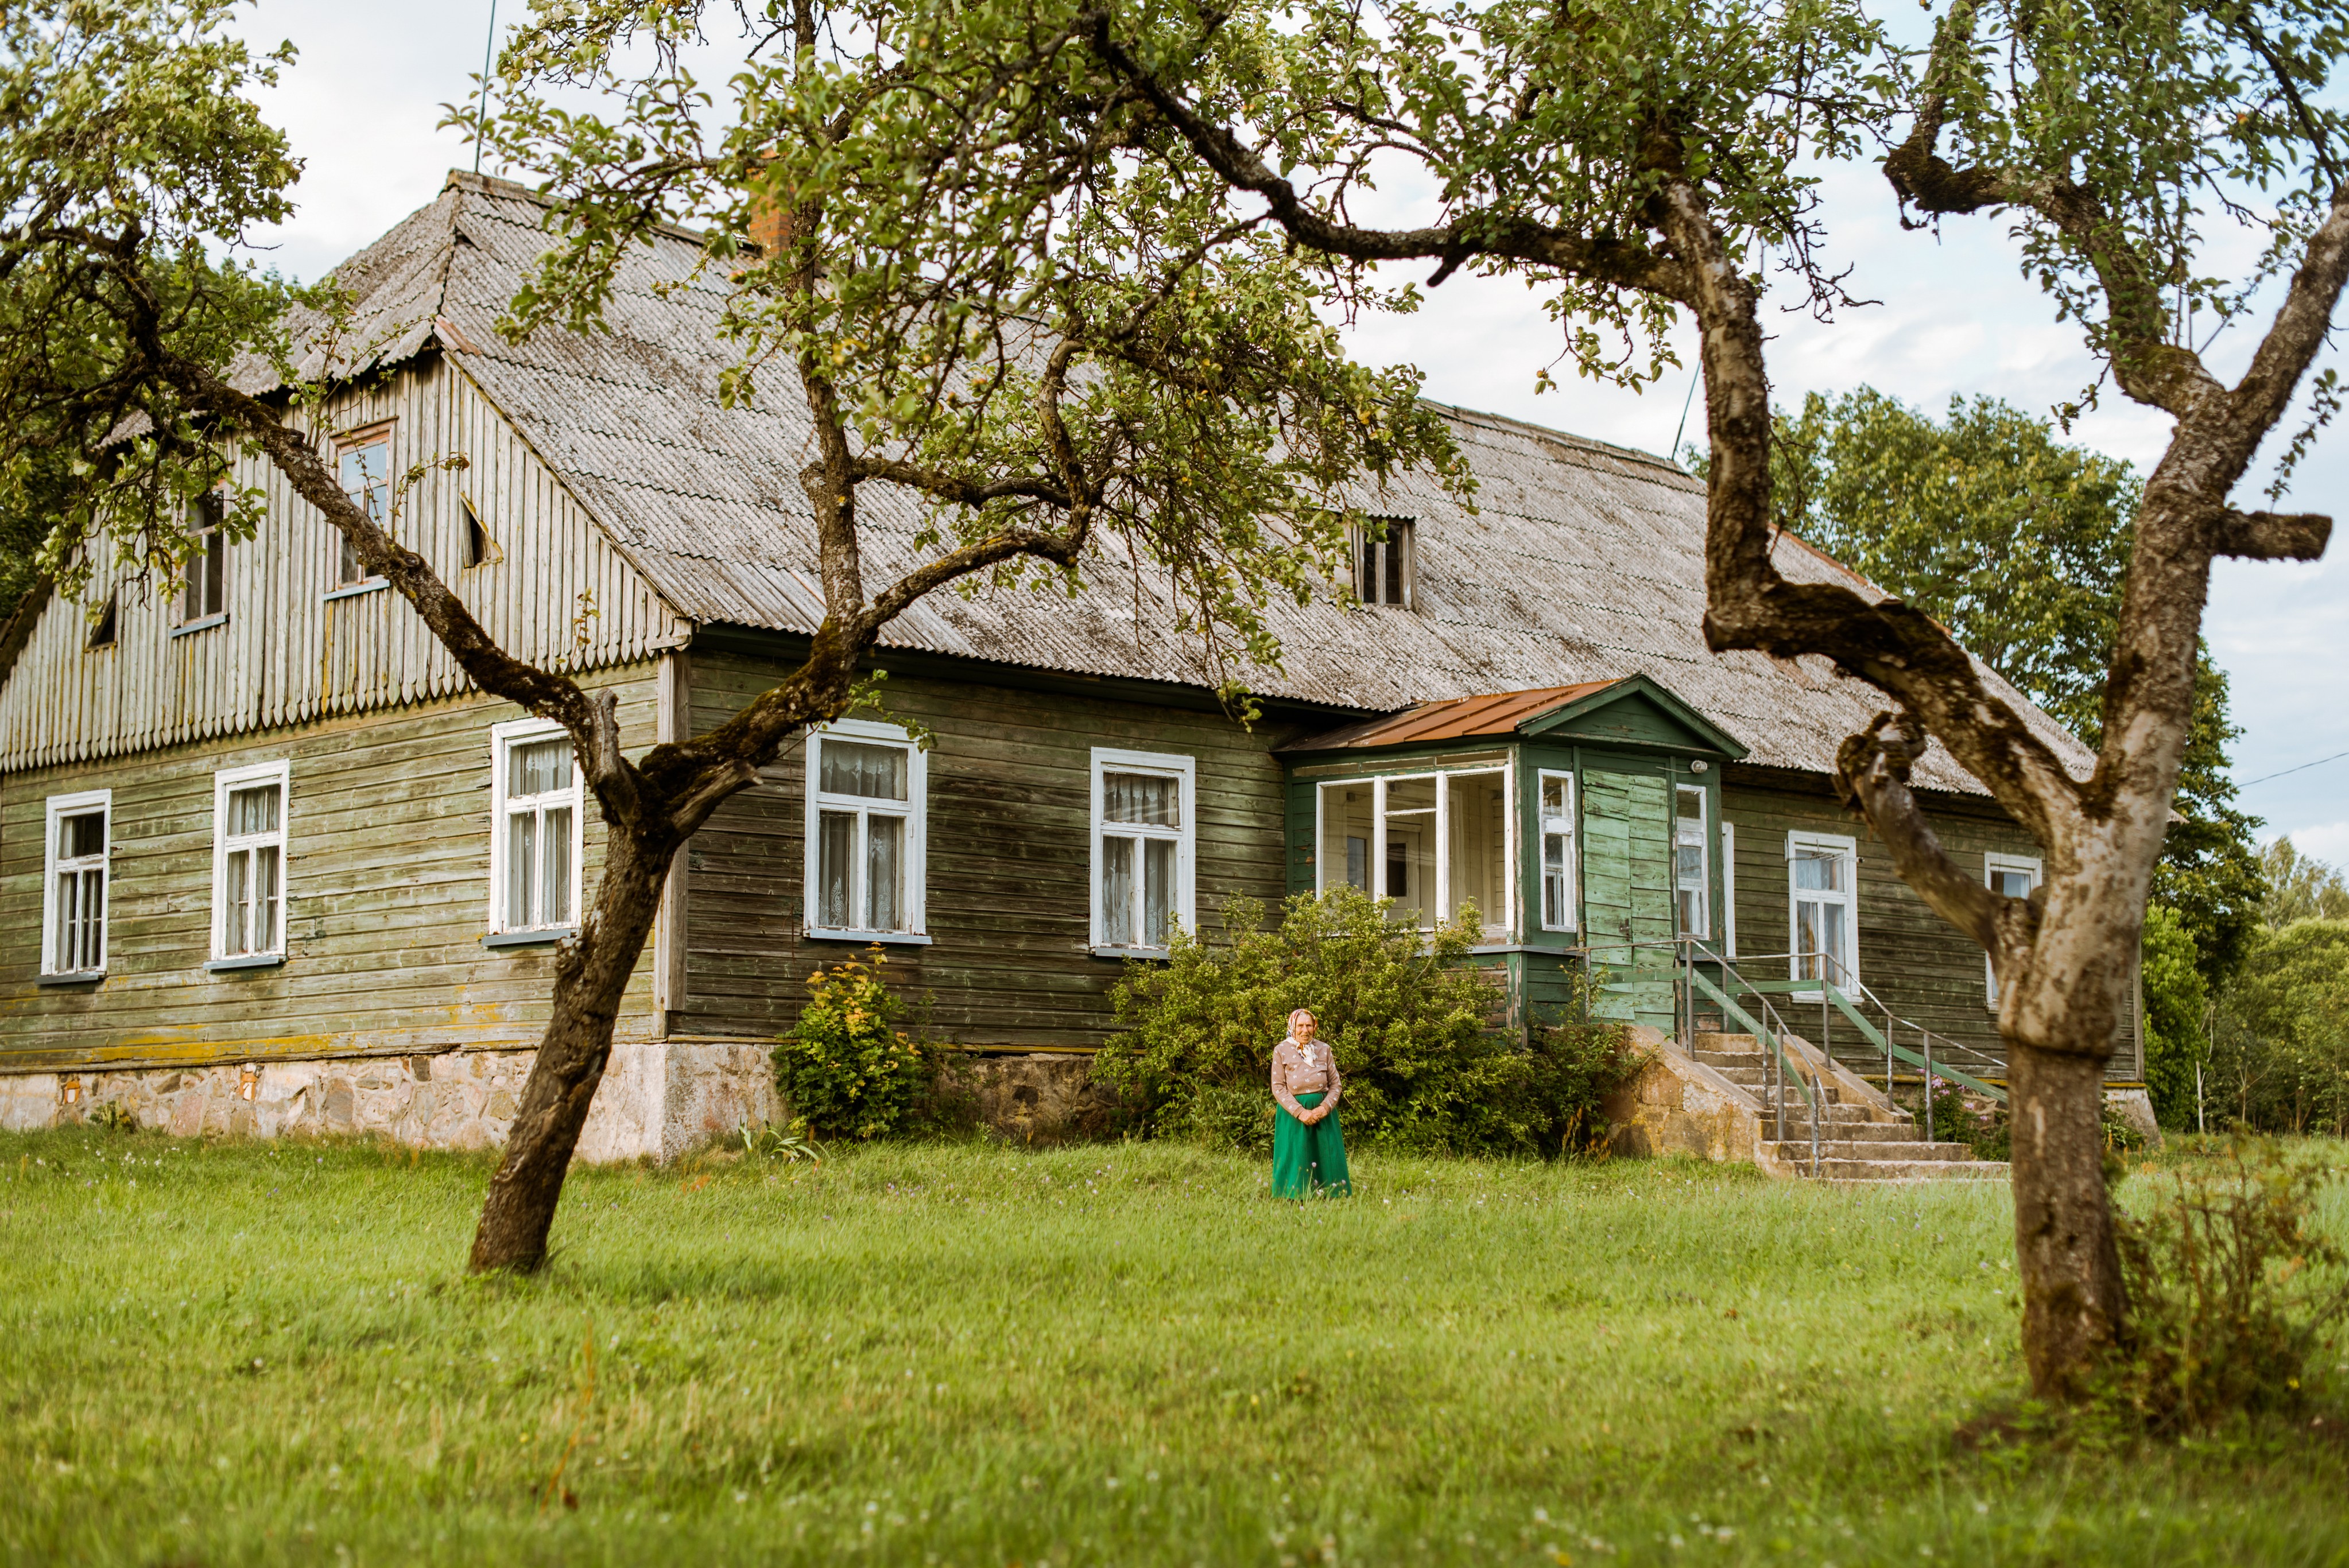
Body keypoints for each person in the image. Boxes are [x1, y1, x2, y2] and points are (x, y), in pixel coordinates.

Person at [1270, 1008, 1351, 1199]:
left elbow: (1335, 1085)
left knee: (1325, 1153)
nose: (1305, 1030)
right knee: (1296, 1154)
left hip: (1323, 1114)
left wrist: (1323, 1109)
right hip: (1293, 1115)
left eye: (1309, 1025)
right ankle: (1293, 1196)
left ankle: (1331, 1194)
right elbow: (1278, 1087)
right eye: (1300, 1026)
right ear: (1293, 1027)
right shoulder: (1281, 1050)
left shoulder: (1324, 1049)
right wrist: (1301, 1113)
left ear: (1315, 1027)